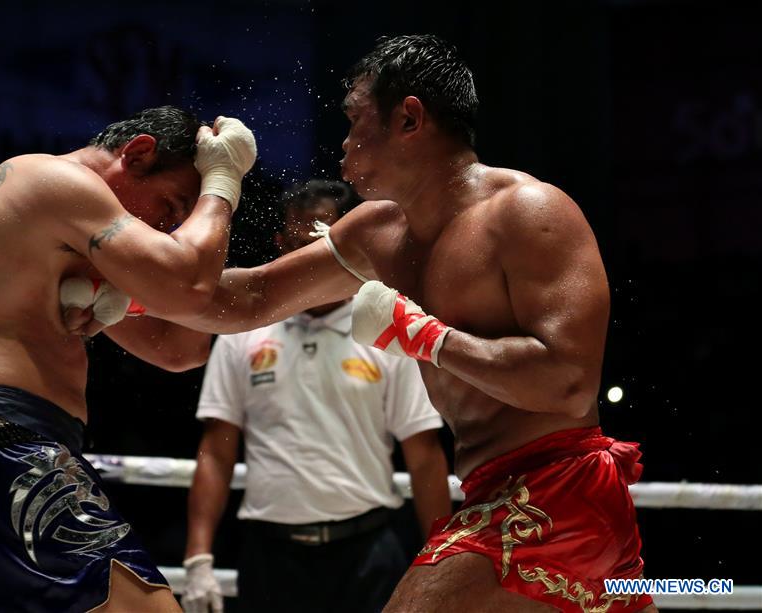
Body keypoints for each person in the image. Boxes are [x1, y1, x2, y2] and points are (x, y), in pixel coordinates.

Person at [164, 35, 655, 612]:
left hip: (557, 489)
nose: (343, 143)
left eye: (354, 119)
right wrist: (119, 282)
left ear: (409, 118)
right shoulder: (377, 233)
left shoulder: (527, 212)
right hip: (490, 493)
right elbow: (248, 299)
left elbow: (569, 383)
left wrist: (425, 338)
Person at [0, 107, 256, 612]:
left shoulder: (70, 248)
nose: (167, 229)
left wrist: (129, 294)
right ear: (139, 153)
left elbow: (180, 348)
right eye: (169, 207)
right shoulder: (48, 177)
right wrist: (222, 181)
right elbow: (188, 287)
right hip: (1, 446)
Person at [180, 180, 451, 613]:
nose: (309, 258)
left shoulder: (388, 327)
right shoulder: (242, 329)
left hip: (368, 552)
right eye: (299, 244)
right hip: (270, 554)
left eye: (321, 243)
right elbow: (216, 451)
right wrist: (197, 558)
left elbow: (424, 456)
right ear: (280, 245)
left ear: (347, 245)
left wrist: (439, 560)